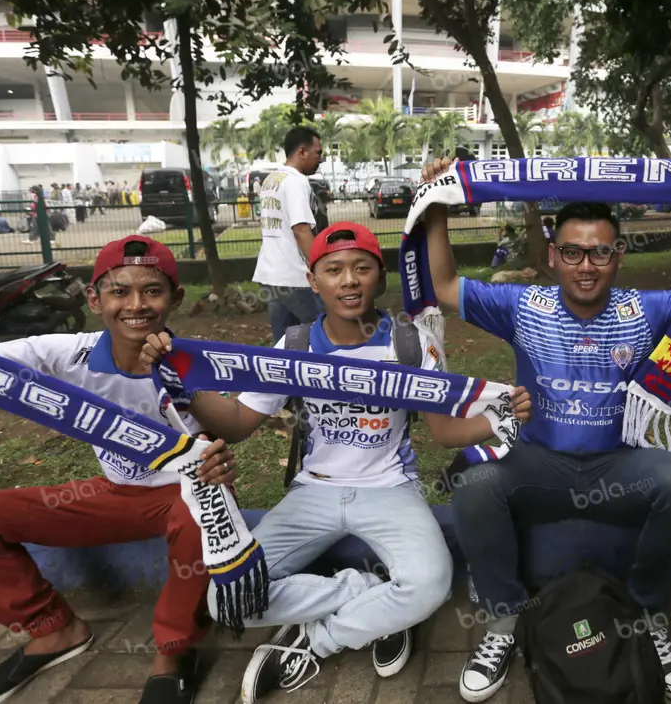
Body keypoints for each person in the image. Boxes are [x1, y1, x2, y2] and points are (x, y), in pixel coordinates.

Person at [417, 156, 671, 703]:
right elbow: (442, 284)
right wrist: (437, 199)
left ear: (618, 256)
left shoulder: (648, 308)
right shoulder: (521, 303)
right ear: (555, 255)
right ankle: (502, 623)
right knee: (474, 486)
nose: (586, 265)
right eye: (573, 252)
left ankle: (648, 614)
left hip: (620, 463)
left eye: (601, 252)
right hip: (540, 463)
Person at [140, 222, 533, 704]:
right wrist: (185, 383)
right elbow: (240, 423)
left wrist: (500, 416)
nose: (349, 280)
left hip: (390, 489)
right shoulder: (296, 346)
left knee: (430, 584)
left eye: (362, 268)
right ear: (313, 281)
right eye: (334, 270)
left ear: (379, 277)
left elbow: (445, 431)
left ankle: (316, 640)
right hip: (314, 491)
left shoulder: (409, 345)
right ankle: (367, 593)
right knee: (226, 598)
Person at [0, 236, 236, 704]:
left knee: (202, 516)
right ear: (94, 300)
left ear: (175, 298)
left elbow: (233, 430)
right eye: (119, 291)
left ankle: (174, 652)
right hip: (112, 494)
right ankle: (54, 631)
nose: (136, 304)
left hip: (187, 495)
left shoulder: (201, 360)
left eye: (153, 291)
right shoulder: (66, 352)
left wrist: (216, 456)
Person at [253, 126, 329, 343]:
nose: (320, 158)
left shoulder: (271, 180)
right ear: (302, 152)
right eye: (318, 152)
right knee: (324, 330)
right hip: (295, 276)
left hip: (271, 275)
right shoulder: (296, 181)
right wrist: (321, 270)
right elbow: (301, 229)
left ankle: (286, 376)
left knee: (285, 340)